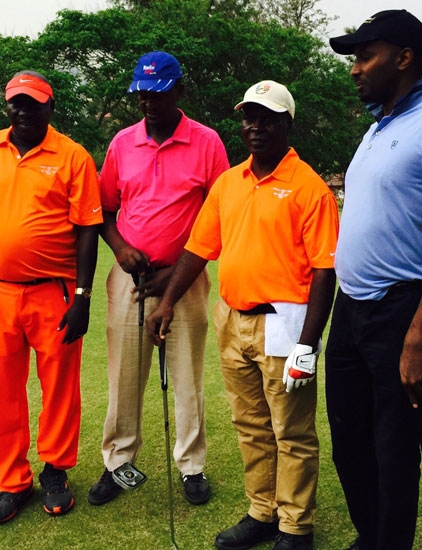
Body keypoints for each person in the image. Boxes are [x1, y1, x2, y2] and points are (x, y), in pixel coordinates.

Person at [146, 80, 340, 550]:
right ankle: (262, 510)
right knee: (250, 425)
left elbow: (324, 271)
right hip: (231, 319)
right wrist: (168, 300)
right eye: (249, 117)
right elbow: (197, 249)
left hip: (285, 322)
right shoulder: (229, 182)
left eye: (267, 118)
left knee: (290, 431)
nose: (256, 127)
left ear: (287, 124)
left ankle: (295, 526)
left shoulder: (309, 188)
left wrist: (308, 345)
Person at [326, 10, 422, 550]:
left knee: (393, 451)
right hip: (352, 308)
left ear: (404, 58)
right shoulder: (375, 129)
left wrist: (417, 338)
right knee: (349, 444)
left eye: (366, 57)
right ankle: (373, 537)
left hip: (402, 312)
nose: (355, 69)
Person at [0, 70, 102, 524]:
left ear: (50, 108)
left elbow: (88, 231)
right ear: (7, 107)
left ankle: (55, 469)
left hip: (53, 292)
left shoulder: (73, 156)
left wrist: (83, 296)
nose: (24, 110)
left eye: (33, 103)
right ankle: (11, 480)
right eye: (17, 102)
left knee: (59, 388)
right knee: (1, 389)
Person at [87, 51, 229, 508]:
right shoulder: (122, 143)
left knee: (187, 376)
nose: (149, 102)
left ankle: (191, 465)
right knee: (125, 375)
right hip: (130, 277)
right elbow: (105, 210)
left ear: (179, 91)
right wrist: (121, 248)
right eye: (142, 94)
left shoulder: (207, 143)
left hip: (185, 278)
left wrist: (178, 271)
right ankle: (118, 462)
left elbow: (221, 216)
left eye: (158, 93)